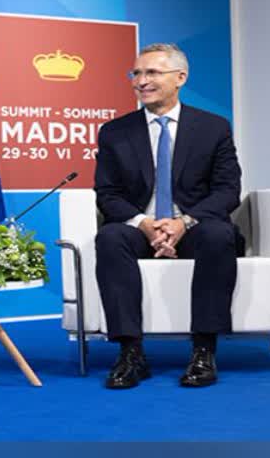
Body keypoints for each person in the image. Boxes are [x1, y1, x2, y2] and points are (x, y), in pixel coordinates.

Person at [94, 43, 243, 389]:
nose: (141, 81)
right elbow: (108, 194)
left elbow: (227, 191)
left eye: (152, 73)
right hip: (140, 227)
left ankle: (204, 349)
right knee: (110, 237)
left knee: (218, 234)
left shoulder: (213, 127)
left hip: (194, 225)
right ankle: (131, 352)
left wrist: (182, 222)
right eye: (137, 73)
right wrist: (144, 224)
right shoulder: (115, 132)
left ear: (180, 78)